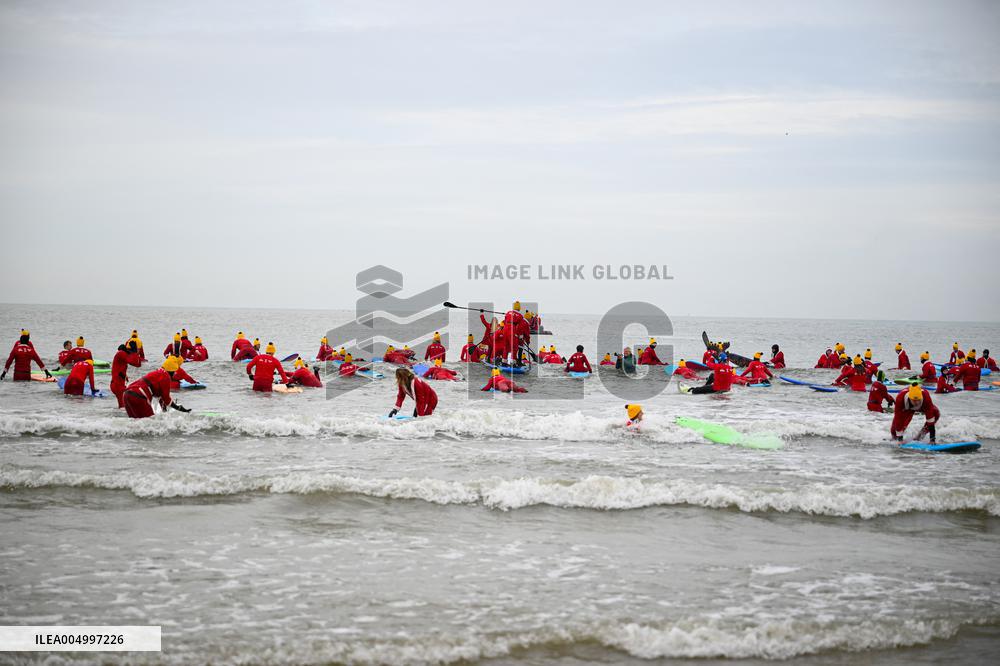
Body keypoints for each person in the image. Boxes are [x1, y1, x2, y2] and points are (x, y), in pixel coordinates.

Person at [123, 356, 190, 419]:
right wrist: (178, 408)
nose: (175, 374)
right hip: (139, 395)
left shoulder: (157, 373)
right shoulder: (166, 377)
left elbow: (161, 398)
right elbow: (167, 400)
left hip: (126, 394)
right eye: (174, 372)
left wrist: (165, 413)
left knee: (135, 422)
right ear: (172, 371)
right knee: (149, 422)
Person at [109, 340, 142, 407]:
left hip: (118, 385)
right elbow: (134, 362)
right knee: (123, 407)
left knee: (123, 406)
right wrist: (135, 353)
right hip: (117, 385)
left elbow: (138, 364)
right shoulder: (121, 353)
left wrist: (135, 353)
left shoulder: (123, 355)